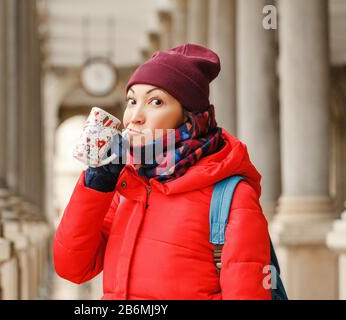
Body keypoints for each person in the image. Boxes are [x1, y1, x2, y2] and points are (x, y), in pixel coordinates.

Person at [53, 43, 272, 300]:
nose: (135, 116)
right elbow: (73, 268)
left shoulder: (232, 196)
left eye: (155, 101)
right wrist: (97, 184)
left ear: (189, 116)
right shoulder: (126, 185)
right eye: (132, 101)